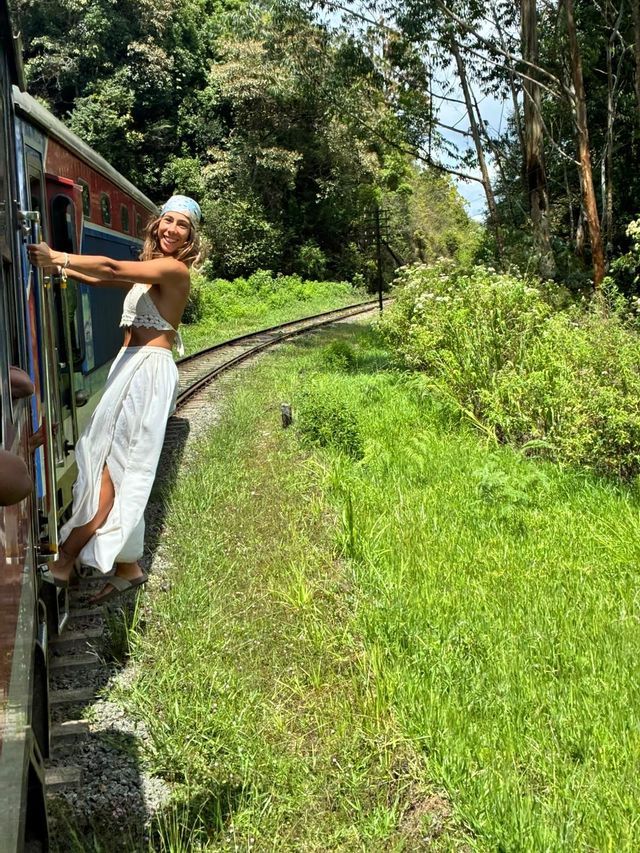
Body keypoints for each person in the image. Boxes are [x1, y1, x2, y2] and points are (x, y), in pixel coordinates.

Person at [27, 195, 202, 603]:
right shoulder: (152, 269)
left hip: (148, 371)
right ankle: (127, 566)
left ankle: (67, 558)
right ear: (158, 224)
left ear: (190, 238)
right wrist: (62, 270)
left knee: (116, 467)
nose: (172, 230)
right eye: (168, 221)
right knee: (103, 457)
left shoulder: (173, 269)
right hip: (130, 366)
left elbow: (111, 267)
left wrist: (58, 257)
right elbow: (103, 279)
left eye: (182, 226)